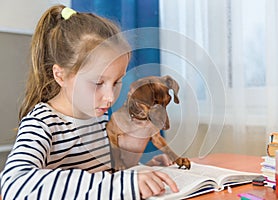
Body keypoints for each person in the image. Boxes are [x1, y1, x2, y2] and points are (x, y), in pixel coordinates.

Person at [0, 5, 178, 200]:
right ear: (60, 75)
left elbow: (104, 180)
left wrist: (141, 172)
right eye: (98, 83)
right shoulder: (42, 124)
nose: (110, 97)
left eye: (117, 82)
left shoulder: (98, 118)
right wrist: (123, 184)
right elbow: (14, 185)